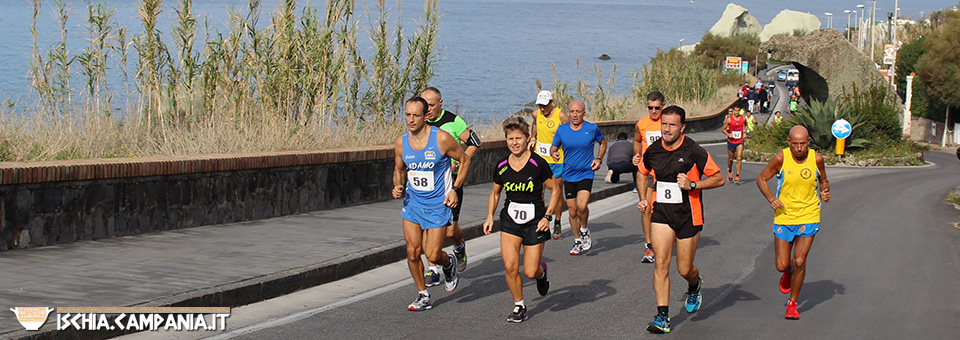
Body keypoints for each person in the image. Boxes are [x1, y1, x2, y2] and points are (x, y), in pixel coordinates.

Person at [637, 105, 724, 333]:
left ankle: (694, 285)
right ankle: (662, 317)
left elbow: (718, 178)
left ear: (682, 127)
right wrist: (643, 198)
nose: (666, 129)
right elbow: (642, 171)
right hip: (662, 214)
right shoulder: (653, 150)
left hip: (689, 216)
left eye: (672, 125)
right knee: (661, 263)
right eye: (664, 124)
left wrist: (693, 184)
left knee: (684, 269)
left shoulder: (694, 150)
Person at [392, 97, 471, 311]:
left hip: (438, 204)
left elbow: (465, 160)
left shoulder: (442, 139)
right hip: (413, 204)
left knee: (433, 254)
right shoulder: (401, 142)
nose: (410, 119)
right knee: (412, 251)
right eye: (407, 114)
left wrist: (455, 189)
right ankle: (423, 294)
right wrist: (398, 185)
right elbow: (399, 170)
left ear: (425, 115)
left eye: (415, 115)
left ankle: (448, 263)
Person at [482, 116, 564, 323]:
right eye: (510, 139)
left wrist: (548, 216)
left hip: (535, 222)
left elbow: (555, 190)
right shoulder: (502, 166)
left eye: (518, 138)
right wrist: (490, 216)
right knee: (510, 266)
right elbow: (495, 193)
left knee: (529, 271)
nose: (514, 143)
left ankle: (541, 274)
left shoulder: (538, 164)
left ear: (528, 139)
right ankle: (519, 305)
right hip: (510, 221)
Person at [755, 126, 830, 320]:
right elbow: (761, 178)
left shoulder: (817, 159)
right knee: (782, 265)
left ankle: (792, 303)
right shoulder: (781, 158)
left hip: (809, 214)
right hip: (785, 215)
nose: (799, 148)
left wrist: (825, 190)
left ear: (808, 142)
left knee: (799, 261)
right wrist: (771, 198)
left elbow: (823, 180)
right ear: (789, 143)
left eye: (802, 144)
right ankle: (787, 272)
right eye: (795, 144)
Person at [420, 87, 481, 286]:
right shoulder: (419, 122)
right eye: (424, 104)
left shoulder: (453, 121)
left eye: (431, 104)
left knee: (449, 231)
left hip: (451, 183)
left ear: (440, 103)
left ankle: (459, 246)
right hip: (429, 183)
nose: (427, 109)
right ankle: (432, 269)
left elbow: (475, 143)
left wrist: (460, 161)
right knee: (427, 227)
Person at [550, 100, 606, 256]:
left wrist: (599, 159)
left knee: (582, 206)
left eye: (578, 112)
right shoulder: (562, 130)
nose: (574, 115)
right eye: (572, 111)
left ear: (584, 113)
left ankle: (584, 230)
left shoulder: (592, 128)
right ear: (569, 112)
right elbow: (553, 147)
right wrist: (553, 152)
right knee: (573, 211)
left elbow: (603, 142)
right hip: (569, 174)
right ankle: (577, 241)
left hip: (586, 173)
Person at [529, 90, 569, 240]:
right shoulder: (536, 114)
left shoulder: (561, 115)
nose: (542, 108)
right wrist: (533, 138)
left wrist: (560, 136)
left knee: (557, 192)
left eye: (545, 105)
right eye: (540, 105)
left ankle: (557, 221)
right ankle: (542, 218)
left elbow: (571, 130)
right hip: (540, 159)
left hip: (557, 160)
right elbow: (534, 125)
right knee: (539, 191)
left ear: (552, 103)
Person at [632, 91, 666, 263]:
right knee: (645, 207)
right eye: (650, 108)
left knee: (666, 209)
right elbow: (637, 140)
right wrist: (637, 155)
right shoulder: (642, 123)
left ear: (663, 106)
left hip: (667, 173)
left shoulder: (668, 123)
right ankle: (649, 246)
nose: (653, 111)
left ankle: (666, 240)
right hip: (647, 172)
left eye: (657, 108)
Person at [722, 106, 746, 184]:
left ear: (740, 111)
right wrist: (728, 134)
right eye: (735, 111)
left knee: (739, 158)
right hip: (731, 141)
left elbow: (746, 125)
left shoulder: (743, 118)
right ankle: (729, 170)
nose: (736, 112)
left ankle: (737, 176)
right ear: (733, 111)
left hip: (740, 141)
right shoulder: (729, 119)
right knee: (731, 159)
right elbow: (723, 129)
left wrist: (745, 133)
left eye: (738, 111)